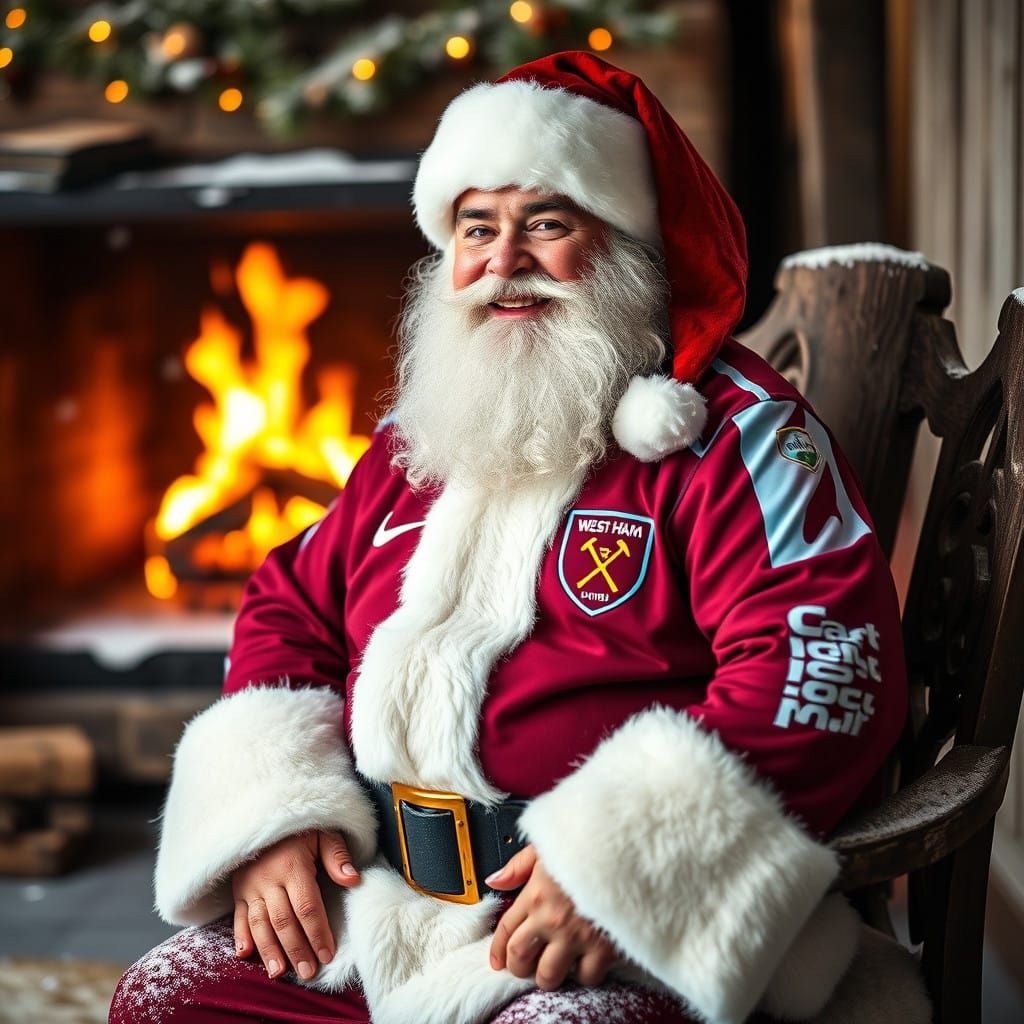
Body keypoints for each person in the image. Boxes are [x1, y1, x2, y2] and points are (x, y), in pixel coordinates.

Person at [110, 52, 929, 1024]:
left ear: (628, 240)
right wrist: (274, 820)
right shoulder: (426, 437)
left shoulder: (736, 435)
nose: (502, 262)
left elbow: (822, 665)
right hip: (378, 905)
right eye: (474, 228)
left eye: (545, 223)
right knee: (165, 1001)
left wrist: (621, 868)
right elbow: (293, 603)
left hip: (608, 933)